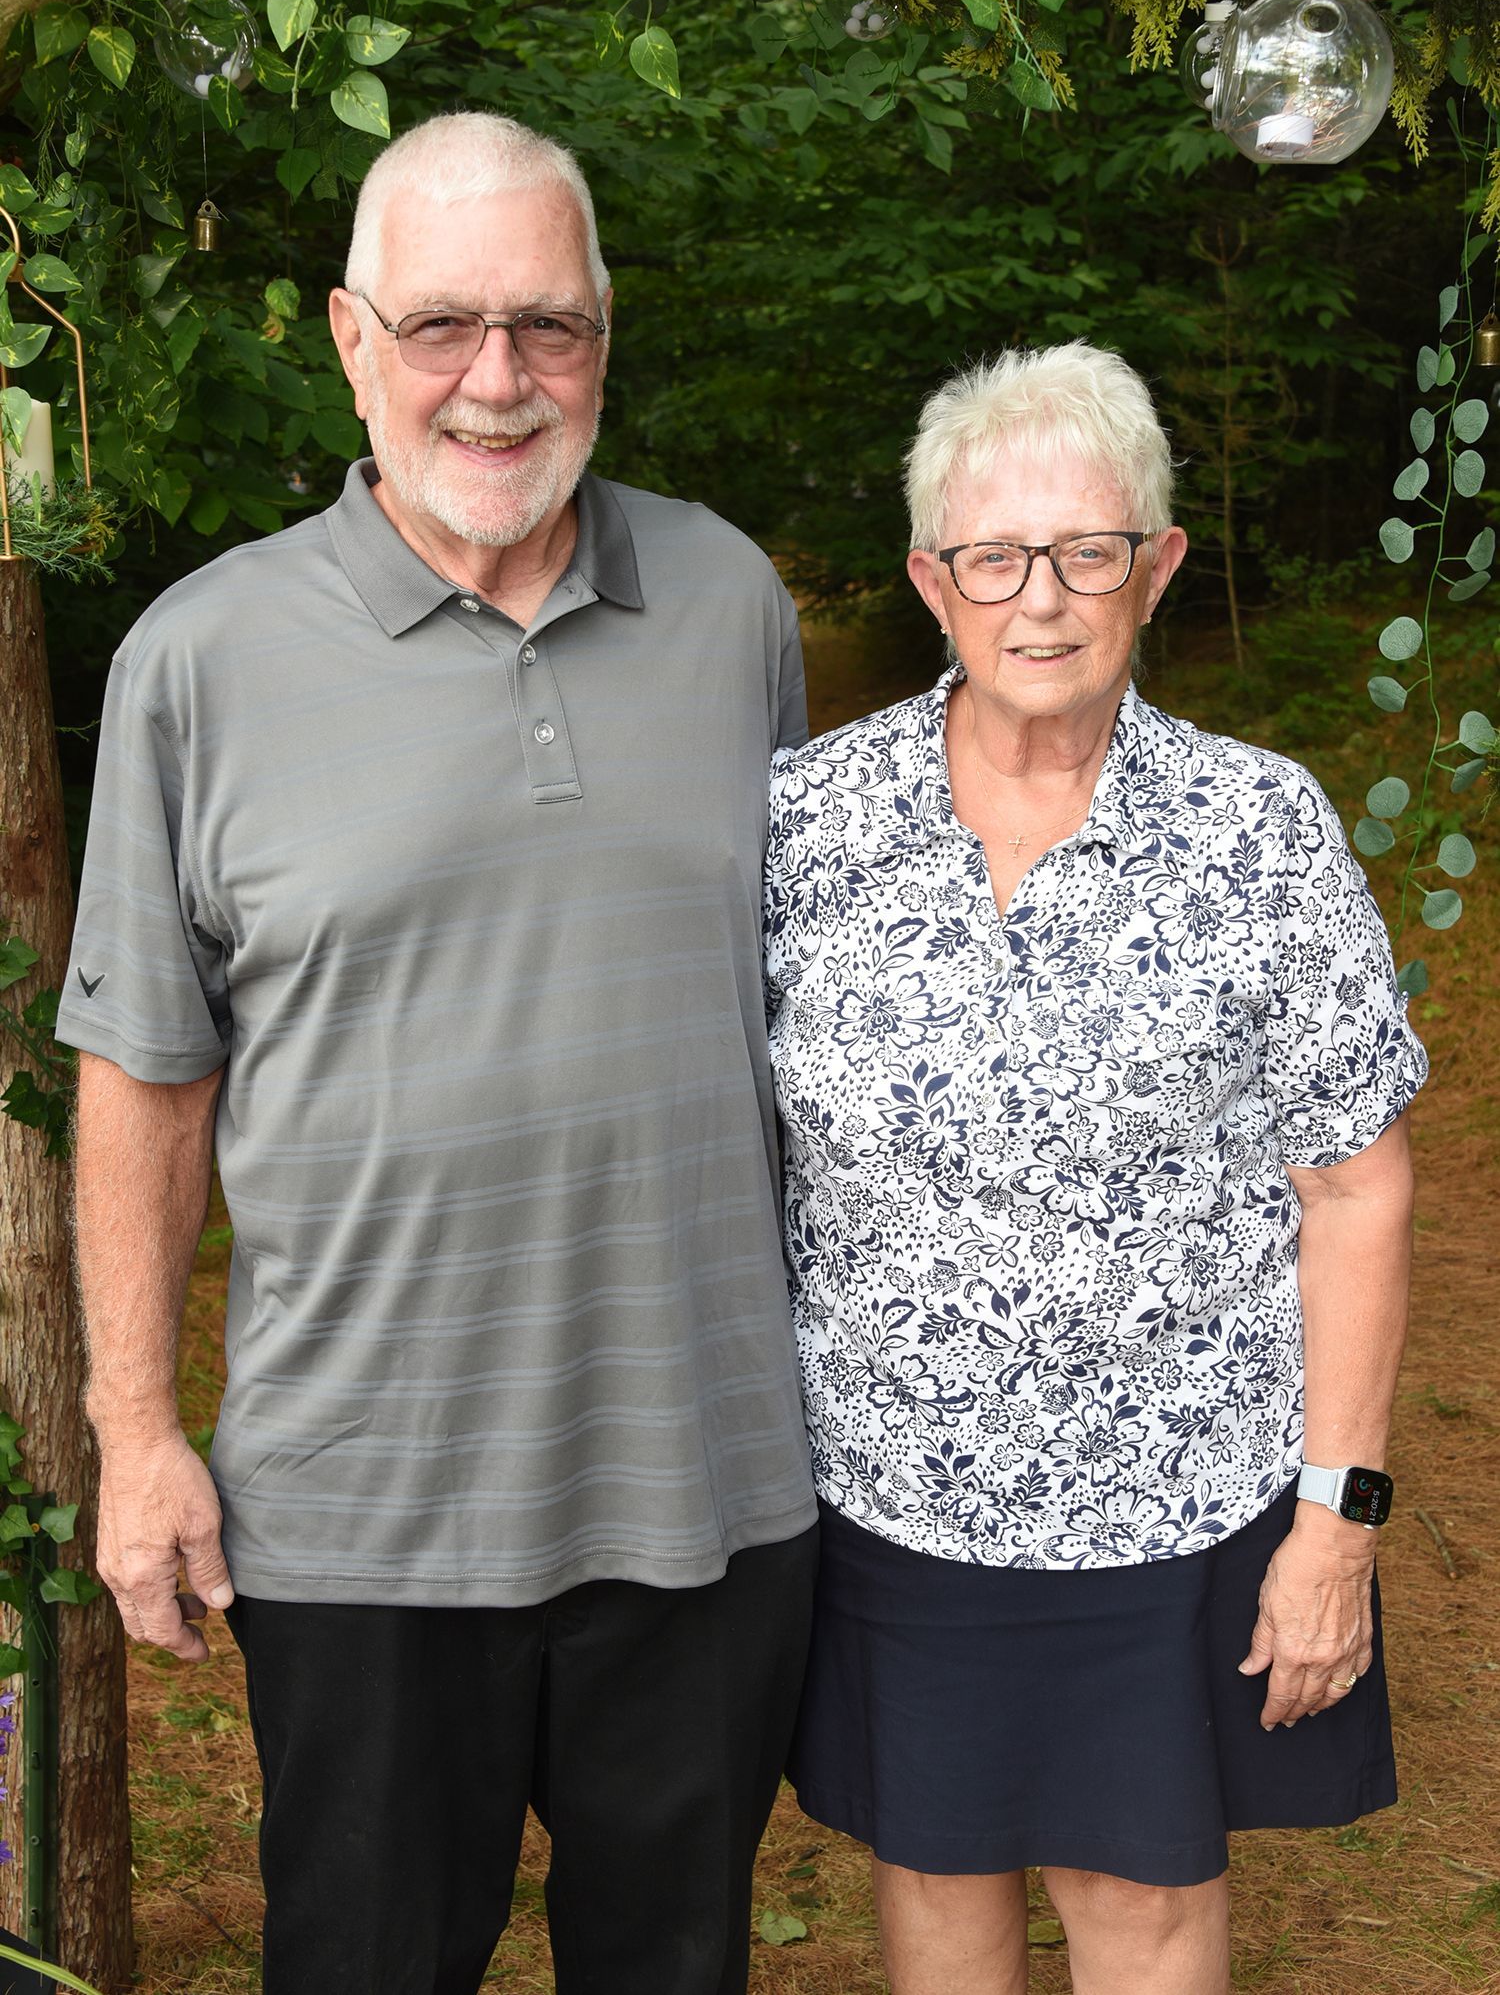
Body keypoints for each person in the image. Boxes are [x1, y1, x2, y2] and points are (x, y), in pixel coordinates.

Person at [60, 110, 818, 1995]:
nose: (498, 379)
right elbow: (145, 1076)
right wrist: (138, 1433)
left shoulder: (731, 605)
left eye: (548, 326)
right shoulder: (199, 658)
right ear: (347, 338)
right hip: (362, 1512)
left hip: (707, 1488)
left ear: (607, 335)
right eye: (443, 325)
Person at [763, 341, 1425, 1995]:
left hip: (1177, 1506)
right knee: (935, 1888)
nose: (1040, 601)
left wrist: (1335, 1523)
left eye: (1090, 551)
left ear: (1160, 567)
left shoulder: (1260, 834)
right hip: (892, 1497)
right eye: (994, 557)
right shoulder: (804, 828)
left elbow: (1358, 1187)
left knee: (1138, 1908)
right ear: (931, 580)